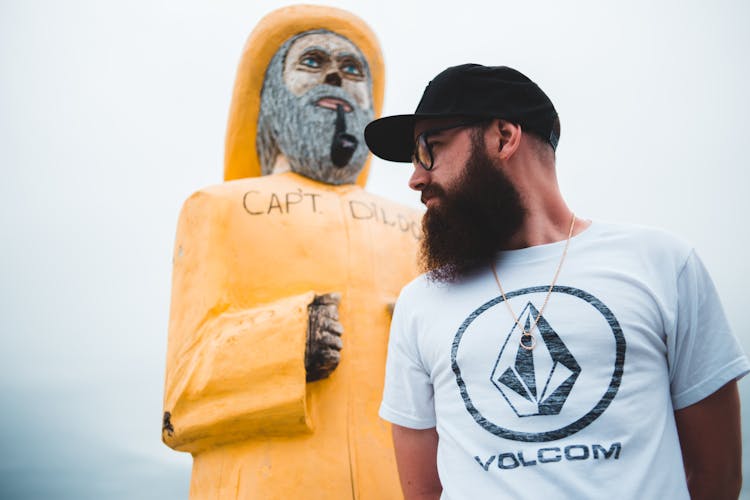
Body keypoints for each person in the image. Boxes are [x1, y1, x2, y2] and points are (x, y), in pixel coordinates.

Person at [364, 63, 749, 499]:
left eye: (430, 148)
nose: (416, 177)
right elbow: (423, 492)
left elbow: (715, 477)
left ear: (504, 137)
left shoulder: (661, 264)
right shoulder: (421, 302)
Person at [162, 6, 420, 499]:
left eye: (352, 69)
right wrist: (290, 341)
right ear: (271, 97)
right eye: (312, 61)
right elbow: (180, 398)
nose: (334, 77)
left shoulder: (420, 227)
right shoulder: (218, 209)